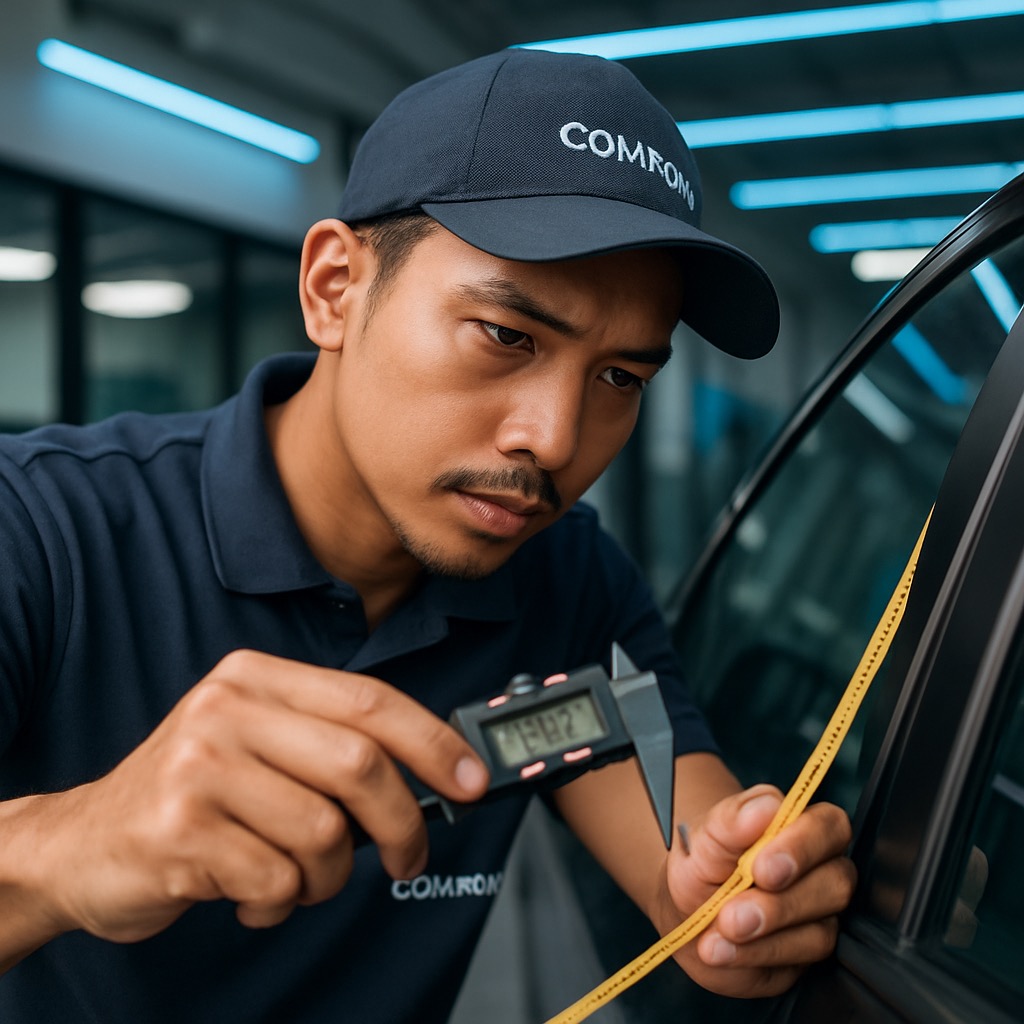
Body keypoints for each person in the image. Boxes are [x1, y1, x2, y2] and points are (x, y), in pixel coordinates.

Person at [0, 48, 854, 1022]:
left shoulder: (570, 579)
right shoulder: (39, 530)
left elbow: (689, 861)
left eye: (620, 376)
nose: (555, 439)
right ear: (333, 287)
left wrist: (755, 889)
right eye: (505, 335)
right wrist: (66, 848)